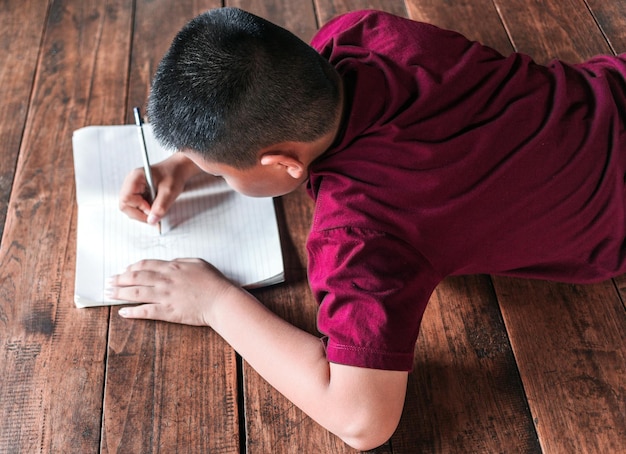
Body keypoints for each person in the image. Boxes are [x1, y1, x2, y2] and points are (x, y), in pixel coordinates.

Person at [108, 7, 626, 450]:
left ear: (285, 164)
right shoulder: (360, 34)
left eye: (221, 172)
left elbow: (363, 422)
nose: (214, 174)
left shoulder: (363, 236)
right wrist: (187, 161)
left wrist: (213, 302)